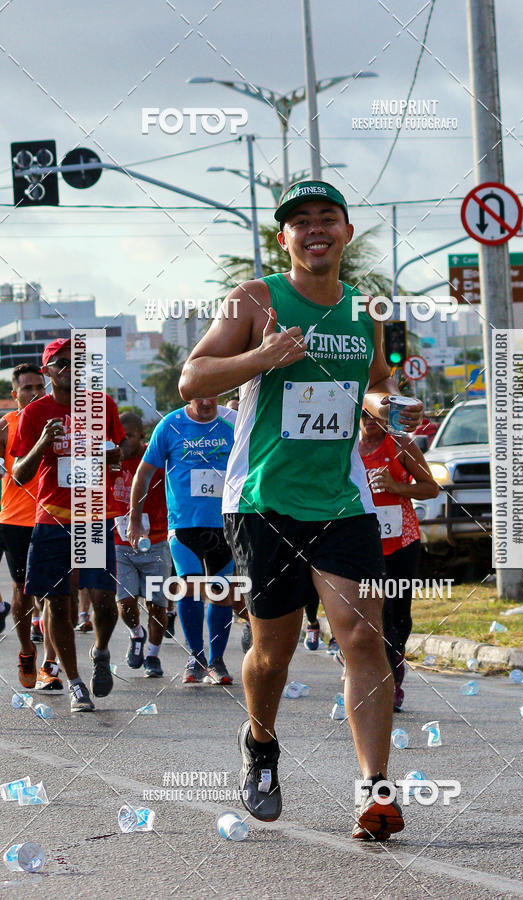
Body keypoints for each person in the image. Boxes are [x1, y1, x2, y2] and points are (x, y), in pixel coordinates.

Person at [179, 180, 423, 841]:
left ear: (345, 232)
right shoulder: (255, 299)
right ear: (283, 238)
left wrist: (388, 412)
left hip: (342, 501)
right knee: (273, 655)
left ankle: (375, 791)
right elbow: (193, 378)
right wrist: (264, 355)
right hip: (264, 501)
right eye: (300, 221)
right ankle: (260, 739)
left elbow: (373, 385)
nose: (315, 228)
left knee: (363, 636)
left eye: (327, 218)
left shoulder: (362, 310)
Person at [12, 337, 125, 713]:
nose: (70, 368)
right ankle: (75, 682)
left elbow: (118, 452)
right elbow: (18, 475)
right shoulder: (35, 413)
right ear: (46, 371)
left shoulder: (102, 405)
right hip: (53, 520)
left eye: (77, 361)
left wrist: (110, 454)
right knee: (58, 606)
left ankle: (101, 650)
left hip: (93, 517)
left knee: (105, 605)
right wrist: (44, 442)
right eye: (60, 362)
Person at [128, 397, 236, 686]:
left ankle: (216, 660)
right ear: (188, 395)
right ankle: (197, 657)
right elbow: (143, 474)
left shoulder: (232, 423)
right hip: (184, 524)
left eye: (212, 394)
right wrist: (135, 519)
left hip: (225, 523)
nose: (206, 402)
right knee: (190, 587)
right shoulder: (170, 425)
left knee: (221, 591)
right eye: (199, 395)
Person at [359, 407, 439, 711]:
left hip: (402, 541)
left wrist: (396, 488)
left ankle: (394, 670)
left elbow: (431, 488)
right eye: (364, 416)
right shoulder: (348, 448)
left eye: (376, 416)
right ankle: (381, 679)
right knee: (375, 612)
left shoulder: (402, 445)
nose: (370, 422)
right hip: (365, 542)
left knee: (399, 614)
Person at [0, 363, 62, 691]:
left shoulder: (61, 423)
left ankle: (49, 665)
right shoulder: (6, 426)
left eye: (40, 386)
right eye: (27, 388)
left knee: (56, 596)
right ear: (15, 395)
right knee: (25, 594)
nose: (35, 392)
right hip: (16, 520)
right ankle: (27, 650)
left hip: (55, 518)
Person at [112, 412, 170, 677]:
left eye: (130, 437)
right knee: (125, 603)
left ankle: (153, 655)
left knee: (157, 604)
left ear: (142, 436)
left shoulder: (155, 461)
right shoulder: (110, 460)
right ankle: (137, 634)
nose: (123, 443)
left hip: (156, 542)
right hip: (120, 544)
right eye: (119, 438)